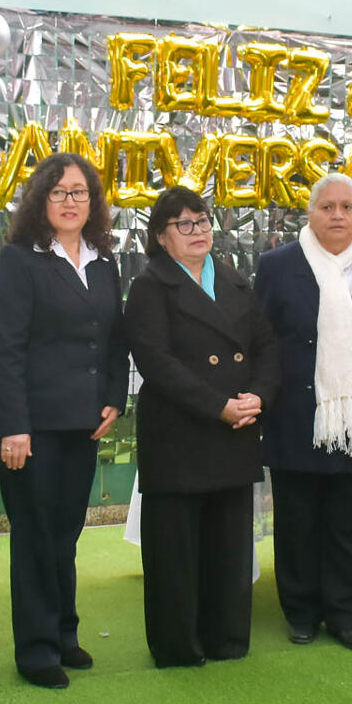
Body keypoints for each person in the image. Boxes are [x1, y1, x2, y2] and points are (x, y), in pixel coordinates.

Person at [0, 153, 129, 688]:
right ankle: (37, 649)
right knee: (35, 536)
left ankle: (65, 636)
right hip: (33, 428)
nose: (71, 202)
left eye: (80, 192)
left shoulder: (103, 260)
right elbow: (5, 349)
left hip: (84, 423)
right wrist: (13, 426)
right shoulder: (21, 259)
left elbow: (116, 339)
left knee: (65, 536)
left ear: (93, 202)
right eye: (59, 192)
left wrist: (115, 397)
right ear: (40, 200)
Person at [124, 186, 279, 668]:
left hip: (235, 432)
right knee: (175, 551)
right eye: (184, 224)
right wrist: (218, 406)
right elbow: (157, 362)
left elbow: (268, 348)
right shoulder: (150, 286)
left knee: (228, 546)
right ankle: (177, 647)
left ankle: (227, 638)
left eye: (203, 221)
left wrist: (259, 395)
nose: (198, 231)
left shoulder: (234, 282)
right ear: (161, 237)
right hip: (179, 435)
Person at [254, 172, 352, 651]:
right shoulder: (278, 265)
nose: (337, 215)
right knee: (297, 523)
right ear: (311, 213)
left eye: (347, 206)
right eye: (327, 207)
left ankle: (346, 615)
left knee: (349, 525)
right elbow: (261, 343)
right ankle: (301, 613)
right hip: (295, 415)